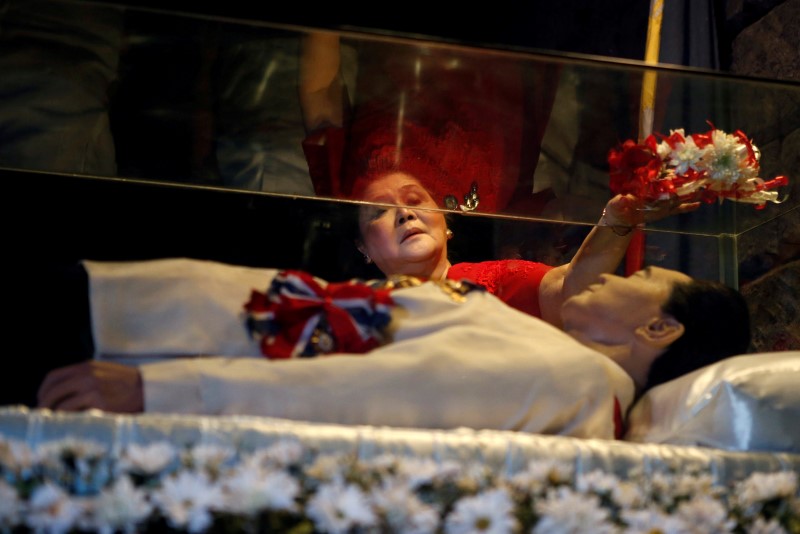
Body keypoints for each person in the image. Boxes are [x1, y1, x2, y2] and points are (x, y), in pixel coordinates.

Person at [35, 264, 751, 441]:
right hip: (152, 324)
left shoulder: (567, 376)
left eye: (642, 276)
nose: (617, 275)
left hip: (134, 344)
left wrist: (156, 393)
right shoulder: (566, 364)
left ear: (659, 329)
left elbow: (363, 394)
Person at [352, 171, 700, 328]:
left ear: (446, 222)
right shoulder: (354, 315)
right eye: (380, 211)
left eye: (414, 200)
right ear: (363, 247)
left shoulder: (499, 279)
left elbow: (573, 287)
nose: (405, 213)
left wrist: (617, 221)